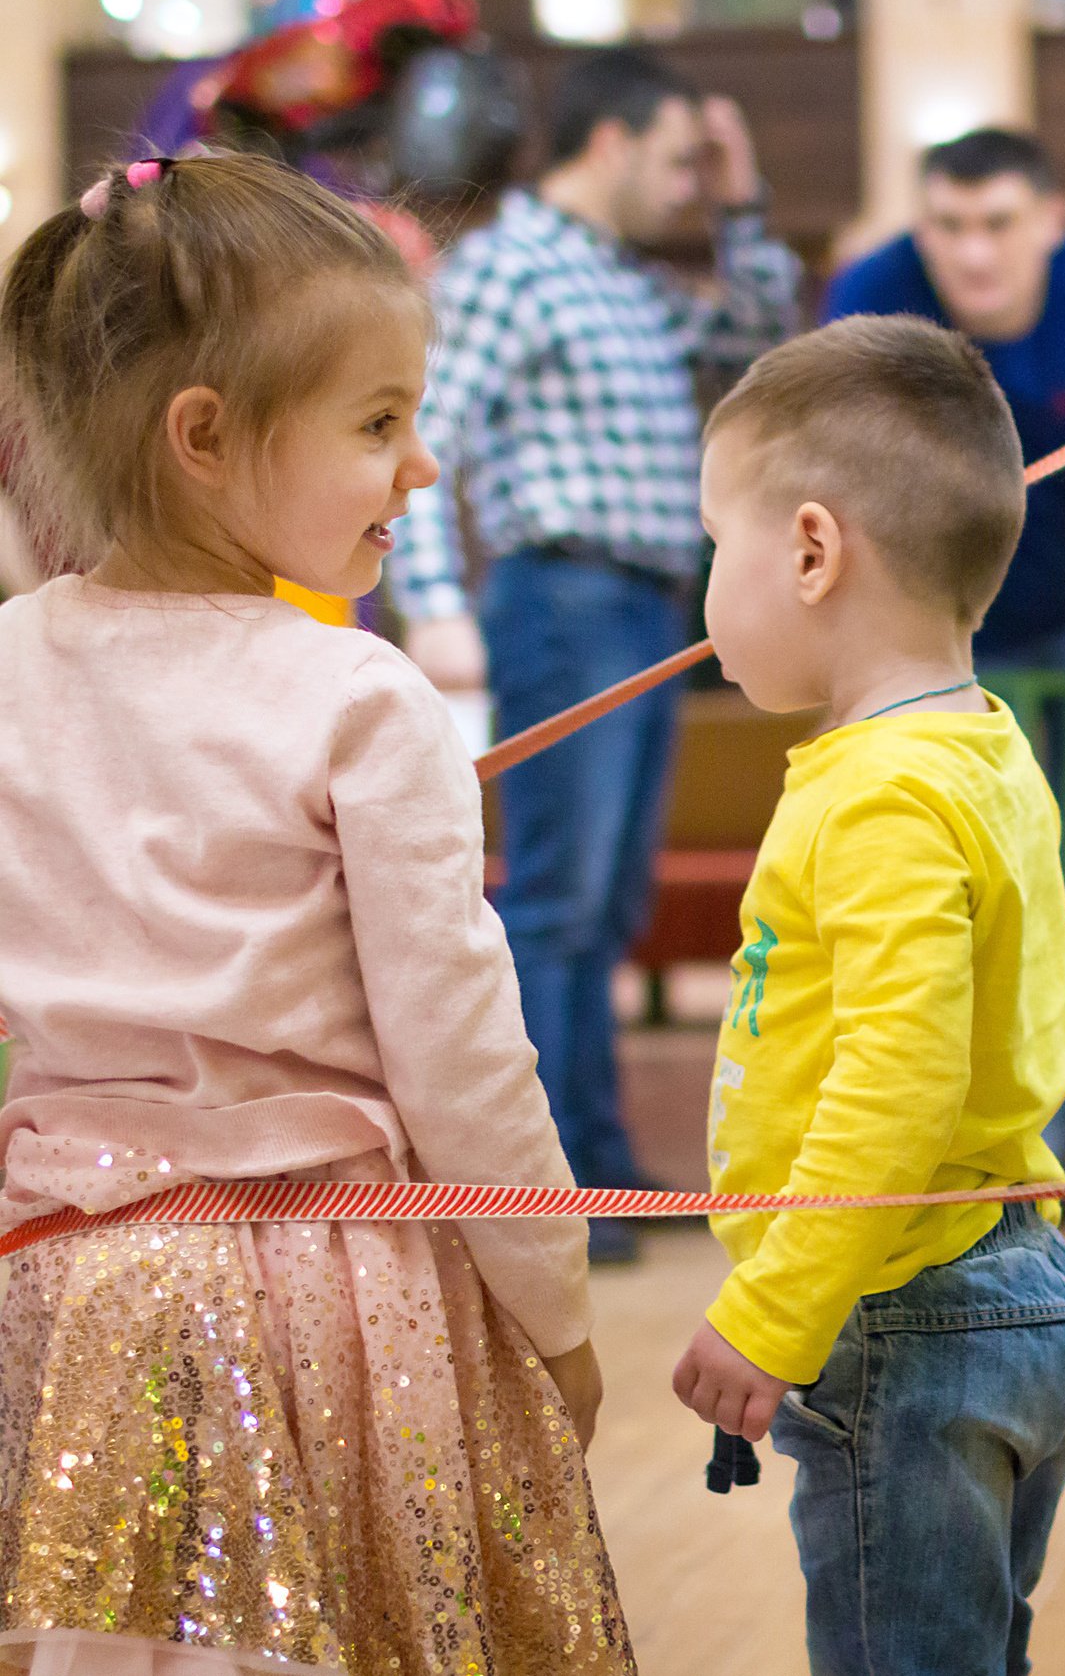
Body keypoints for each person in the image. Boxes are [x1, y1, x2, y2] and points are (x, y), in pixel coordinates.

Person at [0, 150, 630, 1672]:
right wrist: (556, 1312)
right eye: (379, 424)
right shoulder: (363, 693)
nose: (423, 467)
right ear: (206, 437)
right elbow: (466, 1059)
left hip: (54, 1291)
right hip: (325, 1307)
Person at [667, 314, 1065, 1675]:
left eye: (711, 548)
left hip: (906, 1315)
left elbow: (897, 1081)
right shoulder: (978, 743)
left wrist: (777, 1304)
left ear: (808, 549)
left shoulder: (878, 795)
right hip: (1008, 1279)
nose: (703, 597)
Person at [391, 46, 801, 1262]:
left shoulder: (617, 274)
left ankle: (604, 1157)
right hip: (557, 599)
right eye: (677, 160)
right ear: (611, 144)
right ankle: (555, 1171)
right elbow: (428, 431)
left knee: (609, 902)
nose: (687, 186)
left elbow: (760, 334)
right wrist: (432, 602)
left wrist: (740, 199)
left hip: (641, 604)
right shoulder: (512, 263)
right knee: (562, 903)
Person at [824, 128, 1065, 1179]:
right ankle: (939, 1144)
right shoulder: (873, 290)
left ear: (1050, 221)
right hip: (930, 628)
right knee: (932, 889)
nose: (972, 254)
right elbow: (842, 488)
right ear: (918, 226)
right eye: (947, 227)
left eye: (998, 226)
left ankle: (1049, 1147)